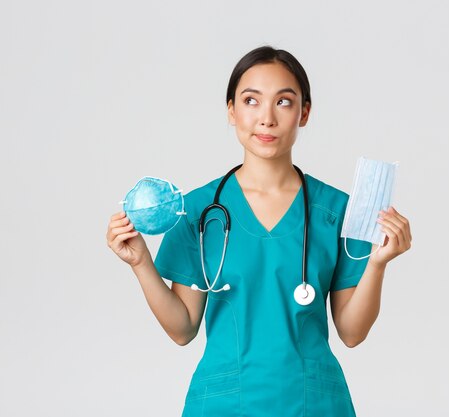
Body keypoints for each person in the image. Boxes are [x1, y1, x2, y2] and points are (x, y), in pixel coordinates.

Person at [106, 45, 412, 417]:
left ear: (305, 113)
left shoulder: (337, 211)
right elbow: (183, 328)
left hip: (312, 404)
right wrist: (140, 263)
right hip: (223, 404)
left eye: (283, 102)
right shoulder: (199, 211)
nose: (266, 118)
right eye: (251, 101)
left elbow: (352, 332)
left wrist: (378, 264)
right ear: (231, 110)